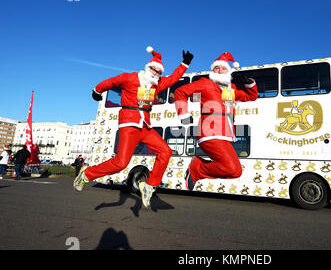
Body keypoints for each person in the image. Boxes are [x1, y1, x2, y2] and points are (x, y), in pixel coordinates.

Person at [73, 47, 194, 209]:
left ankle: (149, 186)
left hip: (146, 127)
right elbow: (111, 82)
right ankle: (86, 174)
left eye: (158, 71)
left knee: (165, 151)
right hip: (129, 124)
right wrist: (97, 90)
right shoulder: (130, 78)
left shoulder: (155, 85)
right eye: (153, 69)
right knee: (121, 163)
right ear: (147, 67)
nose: (156, 73)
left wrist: (184, 64)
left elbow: (172, 79)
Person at [174, 52, 258, 190]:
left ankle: (197, 168)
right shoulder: (204, 83)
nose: (220, 71)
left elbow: (252, 96)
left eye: (223, 68)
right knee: (230, 167)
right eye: (217, 68)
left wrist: (249, 83)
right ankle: (196, 169)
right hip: (209, 132)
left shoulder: (232, 90)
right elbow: (180, 92)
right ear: (212, 70)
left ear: (228, 71)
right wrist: (183, 114)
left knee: (236, 171)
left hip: (226, 135)